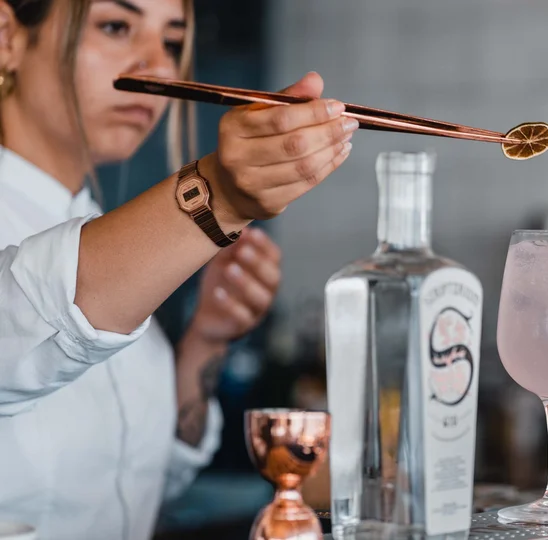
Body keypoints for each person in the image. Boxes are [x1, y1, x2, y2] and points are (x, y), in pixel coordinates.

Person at [0, 0, 357, 538]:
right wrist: (217, 197)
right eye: (116, 26)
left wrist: (207, 338)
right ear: (7, 36)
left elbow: (146, 480)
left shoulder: (101, 228)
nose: (159, 66)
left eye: (172, 40)